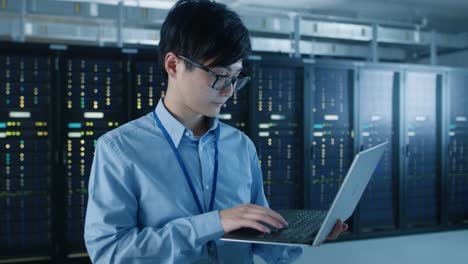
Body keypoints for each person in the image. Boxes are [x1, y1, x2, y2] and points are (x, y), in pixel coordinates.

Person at [84, 0, 348, 263]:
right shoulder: (120, 149)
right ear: (174, 65)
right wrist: (214, 223)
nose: (229, 91)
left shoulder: (241, 146)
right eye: (220, 76)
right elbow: (110, 253)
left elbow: (263, 240)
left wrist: (304, 236)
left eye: (235, 78)